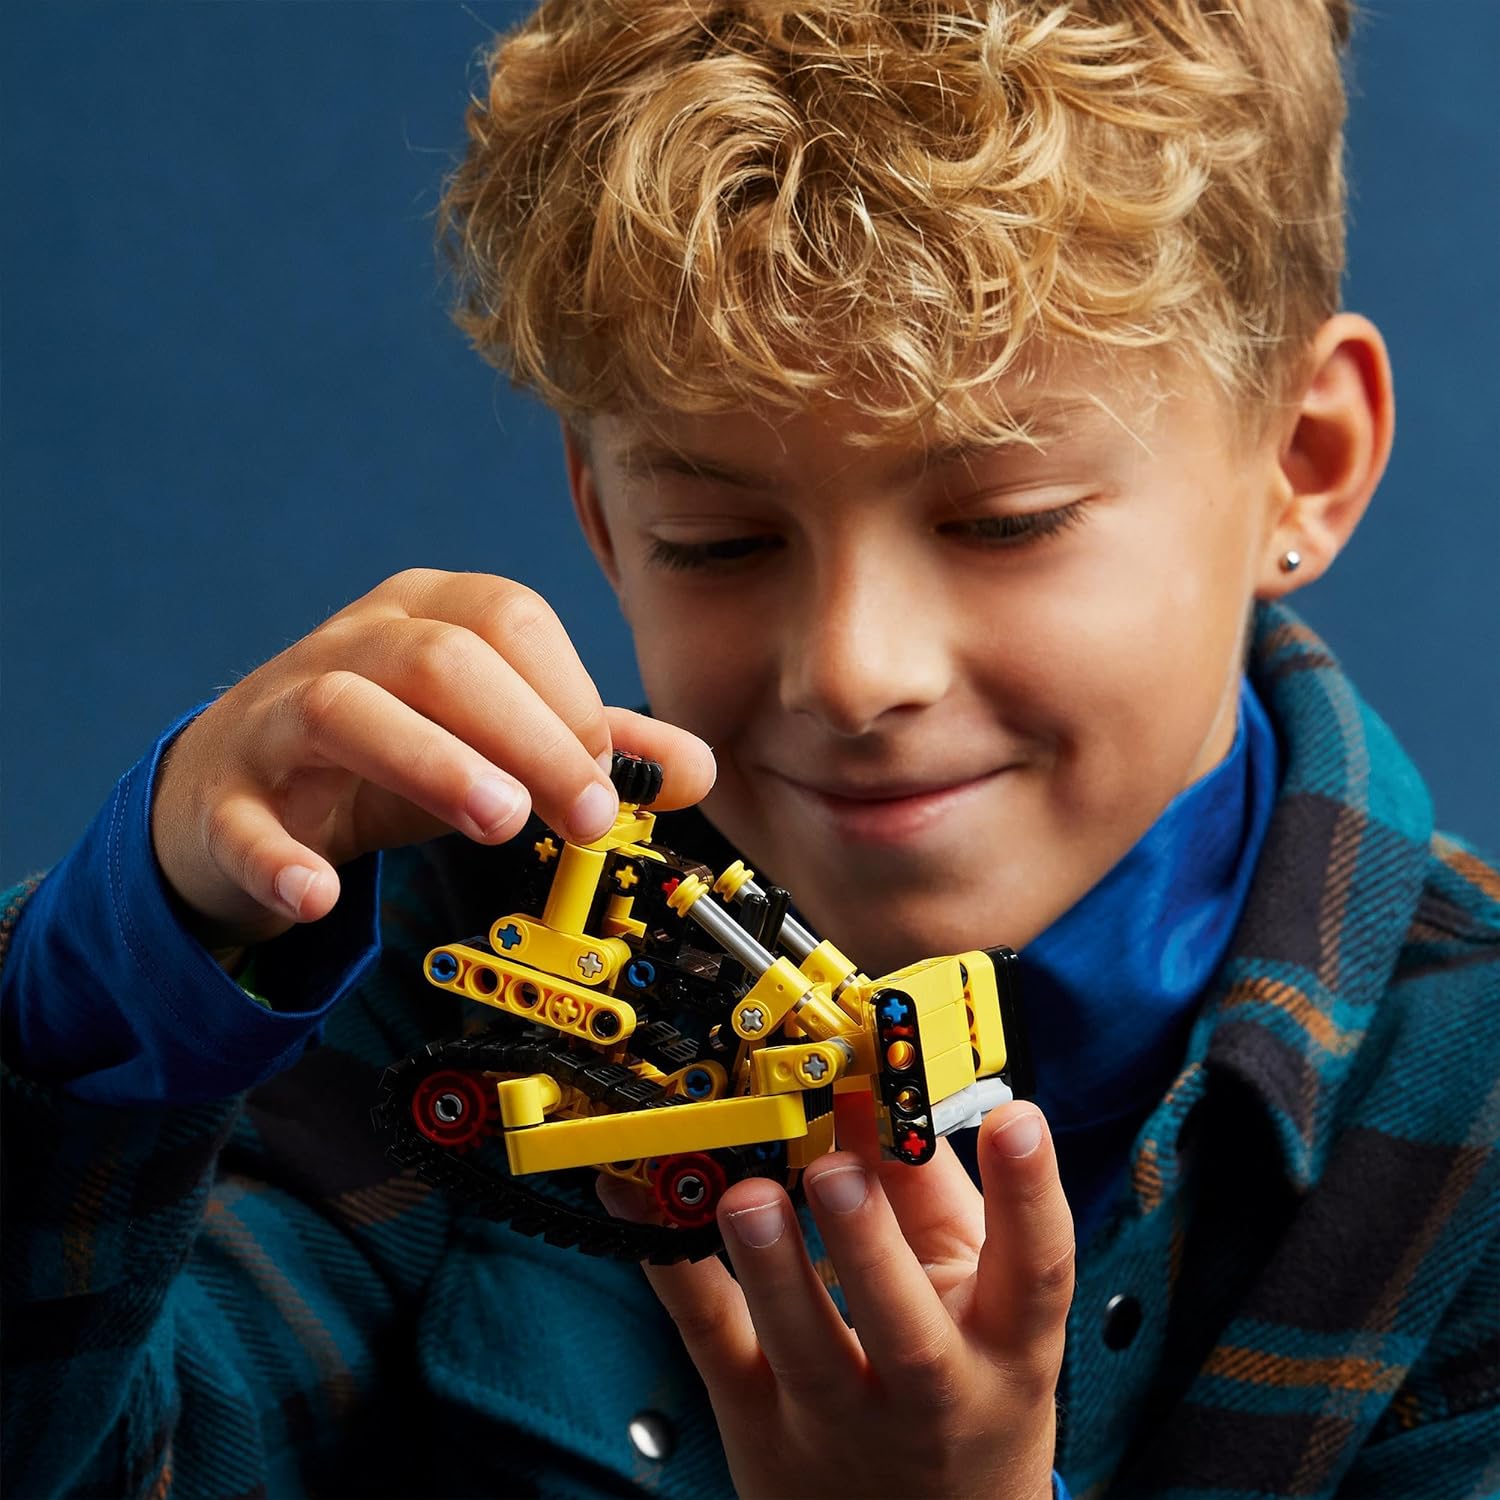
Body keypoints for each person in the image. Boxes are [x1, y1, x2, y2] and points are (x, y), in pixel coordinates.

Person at [3, 1, 1496, 1496]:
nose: (852, 671)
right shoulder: (436, 968)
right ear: (601, 515)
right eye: (717, 542)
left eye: (1004, 523)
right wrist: (141, 944)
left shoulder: (1466, 1131)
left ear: (1304, 464)